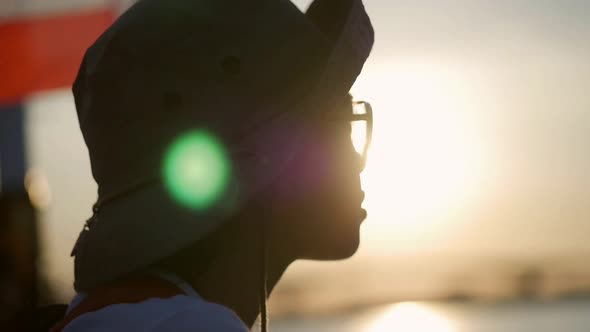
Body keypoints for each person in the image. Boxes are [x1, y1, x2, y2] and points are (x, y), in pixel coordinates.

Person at [52, 0, 374, 330]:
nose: (357, 160)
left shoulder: (103, 316)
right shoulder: (191, 325)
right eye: (342, 122)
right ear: (274, 158)